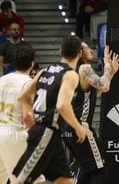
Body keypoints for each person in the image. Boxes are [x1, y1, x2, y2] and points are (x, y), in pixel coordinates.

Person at [11, 35, 91, 183]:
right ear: (79, 54)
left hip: (51, 135)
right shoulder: (70, 74)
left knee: (65, 180)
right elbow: (62, 105)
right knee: (19, 180)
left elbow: (22, 96)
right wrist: (78, 127)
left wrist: (35, 115)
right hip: (46, 133)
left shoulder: (45, 71)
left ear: (60, 52)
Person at [61, 43, 119, 183]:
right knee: (100, 169)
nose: (91, 50)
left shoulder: (68, 71)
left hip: (66, 127)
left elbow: (96, 93)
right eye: (87, 48)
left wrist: (110, 73)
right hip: (80, 126)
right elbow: (104, 86)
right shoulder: (84, 68)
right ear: (80, 53)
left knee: (87, 169)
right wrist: (106, 66)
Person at [0, 47, 45, 184]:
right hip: (14, 134)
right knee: (36, 180)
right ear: (32, 63)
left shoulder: (2, 79)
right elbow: (27, 117)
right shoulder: (28, 83)